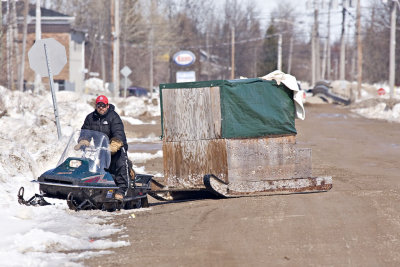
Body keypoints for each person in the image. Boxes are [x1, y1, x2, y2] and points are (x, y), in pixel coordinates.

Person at [74, 95, 131, 200]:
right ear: (96, 106)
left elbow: (118, 132)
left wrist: (114, 144)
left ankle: (122, 190)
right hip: (101, 149)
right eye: (99, 105)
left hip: (116, 149)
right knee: (101, 170)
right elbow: (85, 131)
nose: (101, 107)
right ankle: (98, 190)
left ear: (107, 105)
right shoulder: (90, 118)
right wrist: (84, 140)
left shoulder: (113, 117)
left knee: (120, 166)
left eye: (103, 105)